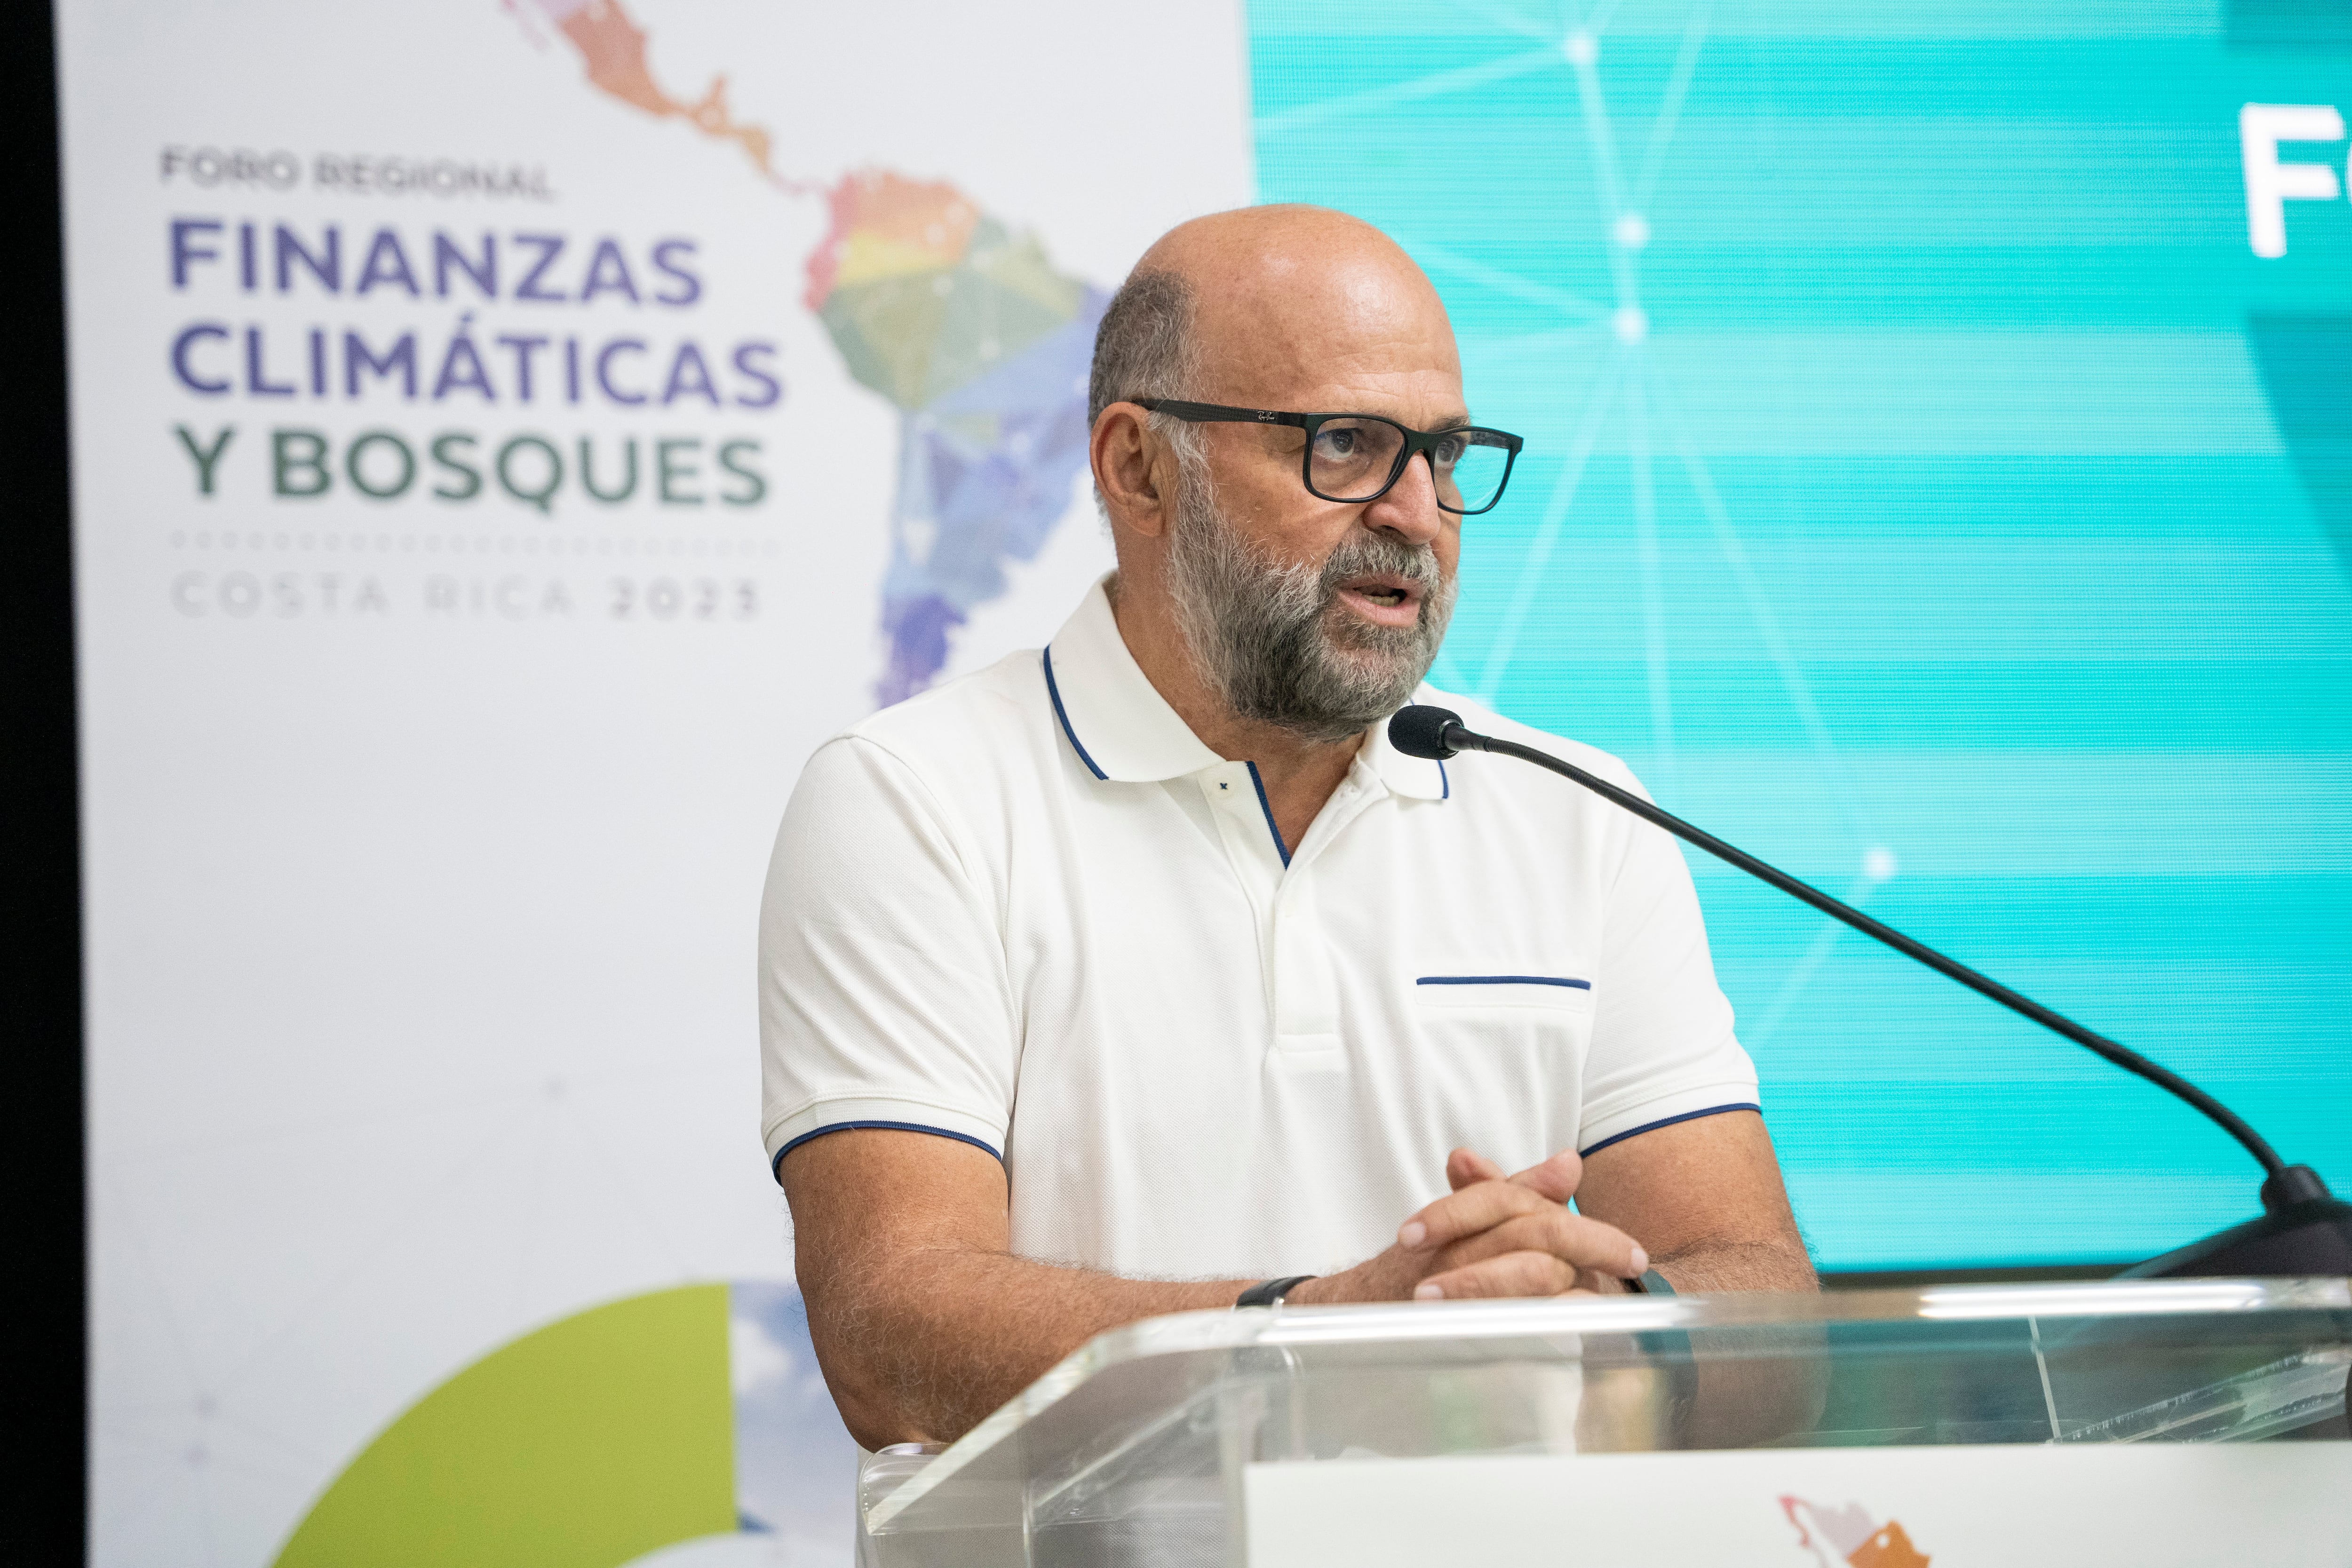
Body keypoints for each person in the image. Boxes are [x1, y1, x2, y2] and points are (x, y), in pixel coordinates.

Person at [761, 205, 1813, 1451]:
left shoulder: (1573, 810)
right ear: (1140, 467)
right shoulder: (915, 800)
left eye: (1448, 455)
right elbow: (893, 1333)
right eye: (1349, 444)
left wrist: (1619, 1313)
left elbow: (1769, 1323)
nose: (1419, 513)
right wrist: (1316, 1338)